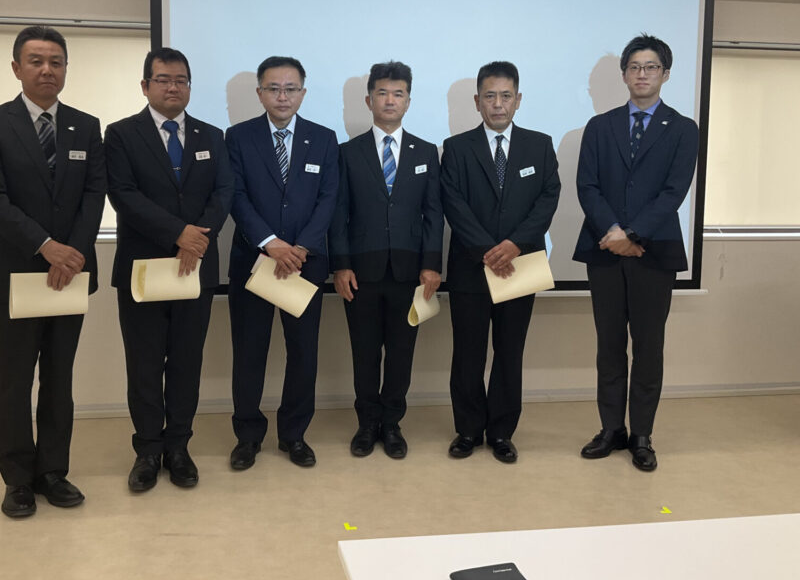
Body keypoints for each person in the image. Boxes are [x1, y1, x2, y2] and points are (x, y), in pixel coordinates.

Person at [0, 25, 106, 518]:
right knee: (13, 381)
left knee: (58, 379)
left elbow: (94, 194)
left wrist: (73, 253)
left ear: (66, 69)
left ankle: (52, 472)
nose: (47, 70)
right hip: (15, 274)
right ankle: (17, 480)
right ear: (17, 68)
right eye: (37, 61)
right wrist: (46, 247)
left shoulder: (85, 126)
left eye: (56, 62)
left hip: (70, 274)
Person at [105, 47, 233, 493]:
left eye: (181, 80)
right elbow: (123, 194)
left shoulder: (211, 135)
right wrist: (178, 233)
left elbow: (224, 192)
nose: (172, 87)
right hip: (143, 269)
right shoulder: (121, 134)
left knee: (185, 362)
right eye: (163, 79)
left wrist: (198, 238)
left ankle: (178, 447)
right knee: (143, 365)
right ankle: (147, 451)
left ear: (189, 87)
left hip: (195, 269)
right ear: (145, 86)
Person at [573, 33, 698, 472]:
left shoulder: (682, 129)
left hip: (654, 253)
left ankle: (642, 434)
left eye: (651, 67)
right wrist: (613, 232)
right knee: (609, 347)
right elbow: (587, 185)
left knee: (648, 347)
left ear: (665, 73)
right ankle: (611, 429)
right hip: (605, 250)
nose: (642, 74)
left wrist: (633, 233)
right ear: (624, 75)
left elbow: (674, 192)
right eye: (634, 67)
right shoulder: (599, 126)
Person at [440, 61, 560, 463]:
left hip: (520, 266)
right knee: (468, 354)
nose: (498, 104)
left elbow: (548, 197)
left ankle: (502, 432)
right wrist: (487, 250)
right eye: (489, 96)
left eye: (506, 96)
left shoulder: (539, 145)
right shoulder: (456, 148)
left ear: (518, 100)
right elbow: (453, 203)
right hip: (470, 267)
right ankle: (468, 430)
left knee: (510, 353)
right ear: (477, 101)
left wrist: (515, 244)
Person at [225, 56, 338, 470]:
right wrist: (271, 244)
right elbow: (236, 196)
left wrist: (301, 247)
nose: (282, 96)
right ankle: (248, 436)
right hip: (254, 260)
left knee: (303, 353)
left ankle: (294, 434)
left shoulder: (323, 139)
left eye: (291, 89)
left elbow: (329, 197)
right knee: (249, 352)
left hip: (305, 264)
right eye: (273, 88)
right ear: (260, 93)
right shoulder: (238, 137)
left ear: (303, 93)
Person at [329, 61, 442, 459]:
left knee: (400, 352)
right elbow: (338, 214)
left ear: (408, 101)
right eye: (382, 93)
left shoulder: (426, 152)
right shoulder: (347, 153)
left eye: (398, 93)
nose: (390, 100)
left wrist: (432, 264)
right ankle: (366, 424)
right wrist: (340, 265)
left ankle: (392, 424)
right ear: (369, 100)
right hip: (360, 271)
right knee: (363, 352)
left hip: (410, 272)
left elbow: (434, 213)